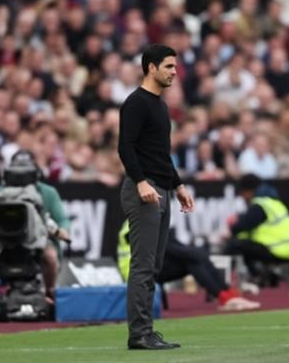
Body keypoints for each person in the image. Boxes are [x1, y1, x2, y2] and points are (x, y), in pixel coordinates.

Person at [118, 44, 195, 350]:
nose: (175, 72)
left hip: (161, 188)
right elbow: (126, 146)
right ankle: (139, 334)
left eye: (175, 67)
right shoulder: (136, 103)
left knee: (154, 266)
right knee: (143, 264)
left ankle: (146, 331)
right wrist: (140, 182)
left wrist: (178, 185)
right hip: (145, 190)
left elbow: (160, 154)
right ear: (151, 68)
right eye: (169, 66)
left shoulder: (160, 106)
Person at [0, 150, 71, 297]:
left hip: (37, 238)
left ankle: (50, 293)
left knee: (50, 256)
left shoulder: (48, 192)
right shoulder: (0, 193)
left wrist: (62, 230)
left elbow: (62, 219)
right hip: (5, 238)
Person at [117, 221, 260, 312]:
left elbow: (173, 245)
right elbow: (165, 247)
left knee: (195, 259)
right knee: (193, 258)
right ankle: (224, 297)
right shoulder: (136, 223)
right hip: (137, 272)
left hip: (151, 266)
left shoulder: (154, 218)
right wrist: (195, 254)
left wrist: (197, 254)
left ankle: (227, 293)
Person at [224, 174, 289, 286]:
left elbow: (240, 227)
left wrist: (231, 228)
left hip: (276, 249)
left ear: (248, 191)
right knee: (245, 245)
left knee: (235, 245)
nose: (243, 198)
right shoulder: (274, 203)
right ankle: (263, 275)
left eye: (242, 194)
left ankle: (223, 280)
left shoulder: (260, 205)